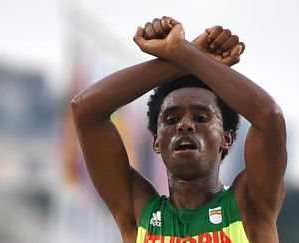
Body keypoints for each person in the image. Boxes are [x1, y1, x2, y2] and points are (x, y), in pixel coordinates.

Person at [72, 16, 287, 243]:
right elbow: (85, 109)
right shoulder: (139, 215)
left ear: (226, 137)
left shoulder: (250, 206)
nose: (184, 125)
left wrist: (182, 53)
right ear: (156, 141)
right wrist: (185, 55)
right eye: (171, 119)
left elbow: (269, 117)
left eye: (201, 117)